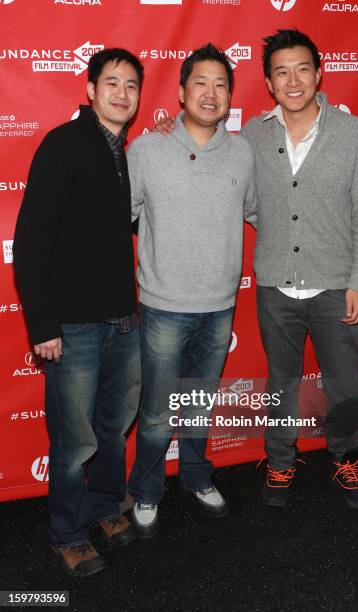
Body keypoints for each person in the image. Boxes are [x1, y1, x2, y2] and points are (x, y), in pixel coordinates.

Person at [13, 48, 143, 577]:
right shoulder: (62, 144)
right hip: (73, 326)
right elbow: (30, 240)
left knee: (113, 428)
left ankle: (105, 506)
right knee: (74, 440)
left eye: (131, 84)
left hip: (124, 321)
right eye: (111, 82)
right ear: (90, 89)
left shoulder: (125, 153)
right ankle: (67, 533)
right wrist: (43, 324)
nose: (121, 92)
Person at [241, 29, 358, 510]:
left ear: (319, 74)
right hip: (275, 287)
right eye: (281, 72)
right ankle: (280, 462)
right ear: (269, 82)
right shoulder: (254, 136)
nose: (293, 80)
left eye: (302, 68)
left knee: (343, 382)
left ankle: (346, 459)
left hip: (336, 285)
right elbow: (246, 199)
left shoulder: (354, 132)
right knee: (282, 380)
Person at [126, 43, 257, 537]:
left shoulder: (243, 152)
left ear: (230, 96)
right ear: (181, 92)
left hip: (220, 305)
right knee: (158, 411)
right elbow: (124, 215)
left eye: (221, 84)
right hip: (163, 306)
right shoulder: (147, 149)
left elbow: (260, 213)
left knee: (199, 403)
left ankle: (197, 477)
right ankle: (147, 489)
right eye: (200, 82)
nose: (211, 92)